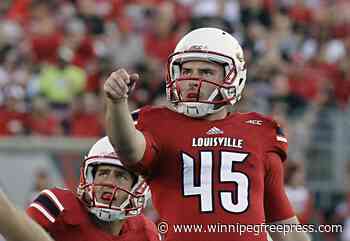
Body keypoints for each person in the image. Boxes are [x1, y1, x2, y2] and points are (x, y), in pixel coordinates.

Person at [104, 27, 310, 241]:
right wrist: (117, 103)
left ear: (232, 77)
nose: (193, 79)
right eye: (186, 71)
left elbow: (283, 224)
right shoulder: (158, 124)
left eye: (206, 72)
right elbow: (126, 148)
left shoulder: (259, 130)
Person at [26, 136, 160, 241]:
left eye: (121, 176)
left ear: (138, 188)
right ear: (89, 177)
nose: (108, 182)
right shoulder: (58, 207)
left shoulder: (146, 233)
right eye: (103, 173)